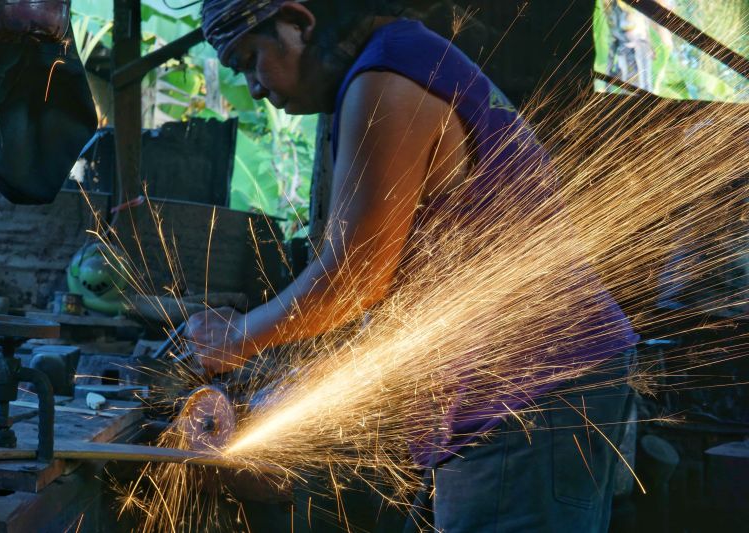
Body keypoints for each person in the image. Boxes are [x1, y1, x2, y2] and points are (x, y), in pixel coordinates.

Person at [189, 1, 638, 531]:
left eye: (249, 58)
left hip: (531, 394)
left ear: (299, 21)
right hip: (535, 390)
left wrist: (236, 338)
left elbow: (352, 282)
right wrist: (282, 390)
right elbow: (389, 289)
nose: (255, 86)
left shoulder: (387, 82)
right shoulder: (406, 58)